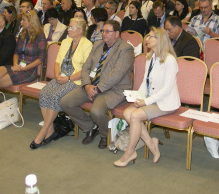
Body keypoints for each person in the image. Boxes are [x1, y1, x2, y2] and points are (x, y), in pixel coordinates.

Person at [60, 20, 135, 150]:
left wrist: (98, 88)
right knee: (65, 102)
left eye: (107, 31)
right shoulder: (98, 44)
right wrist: (87, 85)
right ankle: (91, 127)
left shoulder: (125, 49)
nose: (104, 34)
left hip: (113, 89)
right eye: (103, 31)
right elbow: (86, 67)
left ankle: (105, 135)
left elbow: (117, 74)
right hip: (91, 86)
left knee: (96, 111)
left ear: (117, 33)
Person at [114, 28, 180, 167]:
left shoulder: (170, 60)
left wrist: (145, 101)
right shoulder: (150, 57)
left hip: (165, 102)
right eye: (147, 36)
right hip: (150, 98)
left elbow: (167, 89)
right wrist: (138, 96)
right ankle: (151, 143)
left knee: (135, 116)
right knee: (127, 113)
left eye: (150, 37)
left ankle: (130, 152)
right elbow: (145, 81)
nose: (147, 39)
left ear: (160, 40)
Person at [0, 11, 46, 123]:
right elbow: (16, 52)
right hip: (17, 67)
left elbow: (41, 58)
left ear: (31, 22)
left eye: (23, 20)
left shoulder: (40, 36)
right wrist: (16, 64)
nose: (21, 22)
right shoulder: (22, 34)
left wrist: (23, 68)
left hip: (29, 71)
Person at [31, 18, 94, 148]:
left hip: (75, 80)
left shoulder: (87, 45)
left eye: (71, 28)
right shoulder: (65, 41)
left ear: (80, 31)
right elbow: (57, 62)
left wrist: (68, 78)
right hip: (61, 77)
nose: (68, 29)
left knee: (55, 96)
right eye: (68, 27)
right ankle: (50, 130)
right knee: (44, 93)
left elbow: (85, 70)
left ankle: (44, 131)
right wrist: (57, 75)